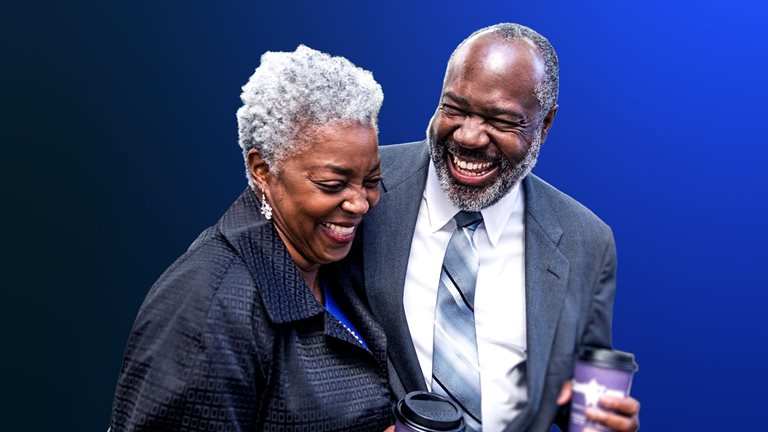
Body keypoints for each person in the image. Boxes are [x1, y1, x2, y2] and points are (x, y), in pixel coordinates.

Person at [345, 24, 641, 431]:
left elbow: (578, 401)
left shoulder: (585, 241)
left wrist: (599, 420)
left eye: (500, 120)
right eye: (454, 108)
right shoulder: (362, 186)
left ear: (546, 124)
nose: (468, 136)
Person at [110, 45, 394, 431]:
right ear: (262, 169)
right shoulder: (209, 307)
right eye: (332, 184)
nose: (360, 203)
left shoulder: (334, 263)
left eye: (372, 181)